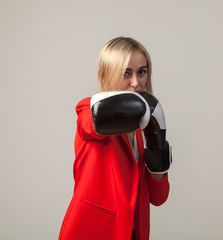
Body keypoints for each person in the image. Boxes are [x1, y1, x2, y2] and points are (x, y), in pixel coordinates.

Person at [58, 37, 171, 240]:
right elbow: (90, 121)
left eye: (141, 72)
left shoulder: (141, 131)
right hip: (92, 232)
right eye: (125, 73)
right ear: (103, 74)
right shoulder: (89, 112)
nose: (136, 82)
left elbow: (158, 197)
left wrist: (157, 146)